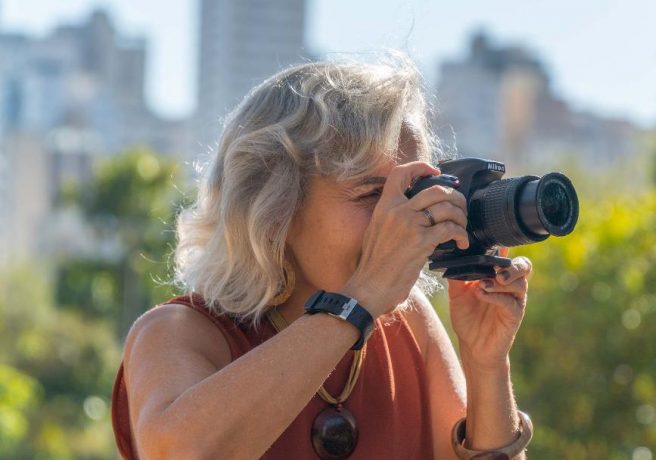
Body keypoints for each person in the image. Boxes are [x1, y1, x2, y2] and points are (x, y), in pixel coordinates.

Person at [110, 54, 534, 459]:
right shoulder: (177, 331)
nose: (400, 220)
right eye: (372, 194)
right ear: (275, 205)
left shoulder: (408, 326)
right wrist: (361, 298)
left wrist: (486, 363)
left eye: (412, 194)